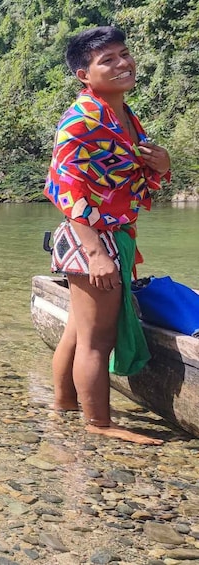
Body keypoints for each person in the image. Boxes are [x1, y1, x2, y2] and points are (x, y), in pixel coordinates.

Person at [44, 26, 171, 445]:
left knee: (78, 332)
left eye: (124, 54)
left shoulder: (124, 115)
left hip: (112, 234)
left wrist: (162, 161)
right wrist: (96, 253)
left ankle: (64, 402)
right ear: (84, 73)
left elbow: (133, 180)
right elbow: (63, 189)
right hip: (93, 238)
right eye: (108, 60)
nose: (122, 64)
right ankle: (99, 423)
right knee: (98, 340)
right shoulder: (81, 120)